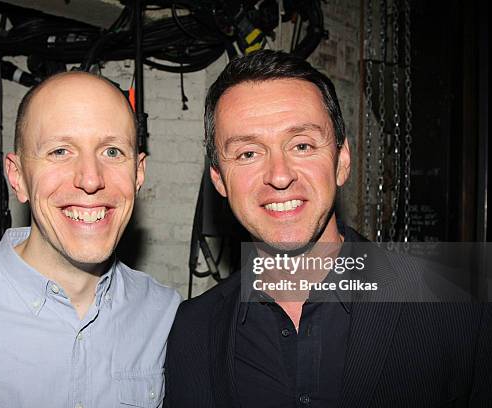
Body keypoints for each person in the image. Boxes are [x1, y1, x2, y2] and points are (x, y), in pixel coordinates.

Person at [164, 50, 491, 407]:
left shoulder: (459, 309)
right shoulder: (191, 330)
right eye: (248, 154)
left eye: (302, 145)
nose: (279, 175)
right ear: (219, 180)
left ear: (342, 161)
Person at [0, 72, 180, 407]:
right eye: (61, 151)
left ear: (138, 173)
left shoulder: (165, 313)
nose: (91, 179)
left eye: (111, 151)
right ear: (17, 176)